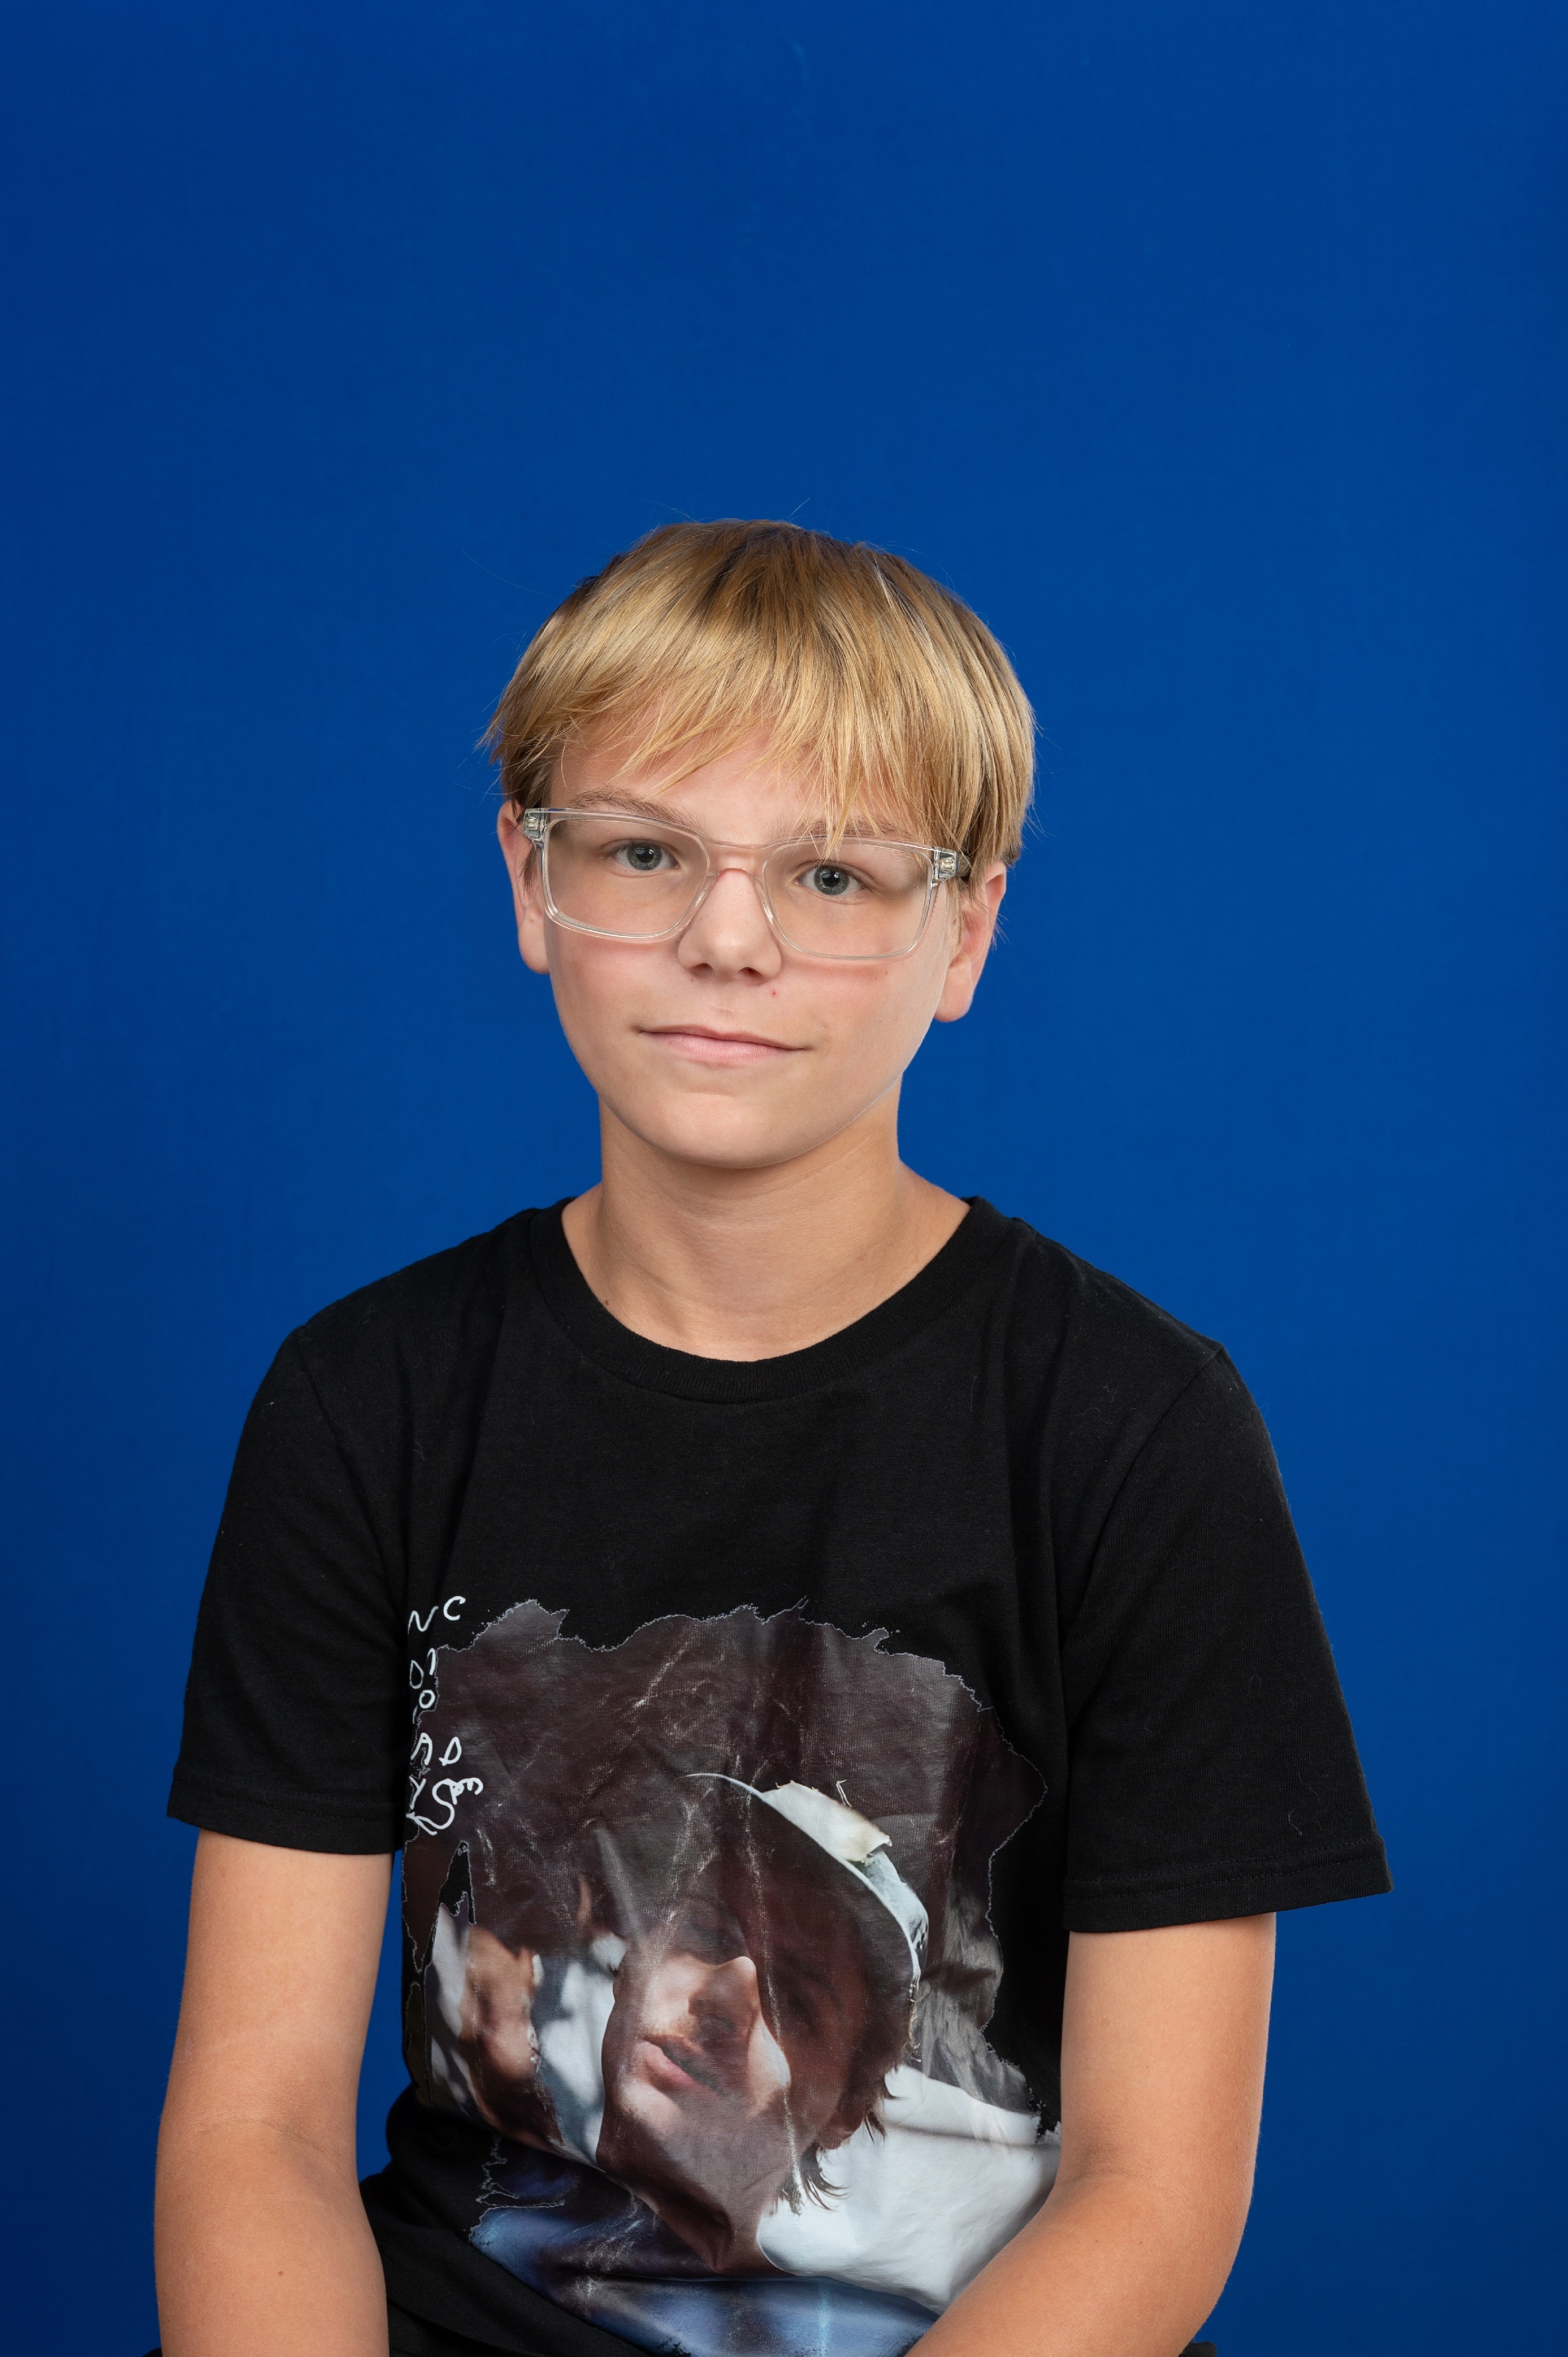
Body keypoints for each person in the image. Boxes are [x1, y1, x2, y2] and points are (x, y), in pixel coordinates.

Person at [155, 519, 1390, 2357]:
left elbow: (1155, 2191)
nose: (727, 939)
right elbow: (251, 2129)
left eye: (830, 873)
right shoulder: (368, 1401)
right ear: (530, 879)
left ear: (966, 931)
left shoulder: (1135, 1429)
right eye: (645, 851)